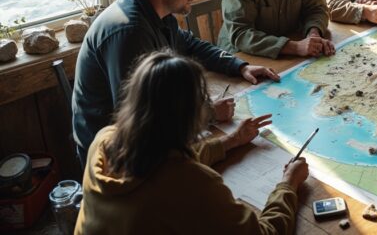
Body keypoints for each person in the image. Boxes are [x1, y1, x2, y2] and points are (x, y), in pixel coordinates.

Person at [72, 0, 280, 163]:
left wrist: (240, 66)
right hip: (113, 154)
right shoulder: (130, 33)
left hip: (145, 131)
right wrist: (207, 115)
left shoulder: (155, 9)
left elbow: (190, 44)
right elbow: (137, 119)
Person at [75, 51, 309, 234]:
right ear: (189, 117)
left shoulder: (104, 139)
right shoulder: (194, 184)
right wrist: (289, 185)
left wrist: (231, 141)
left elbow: (161, 161)